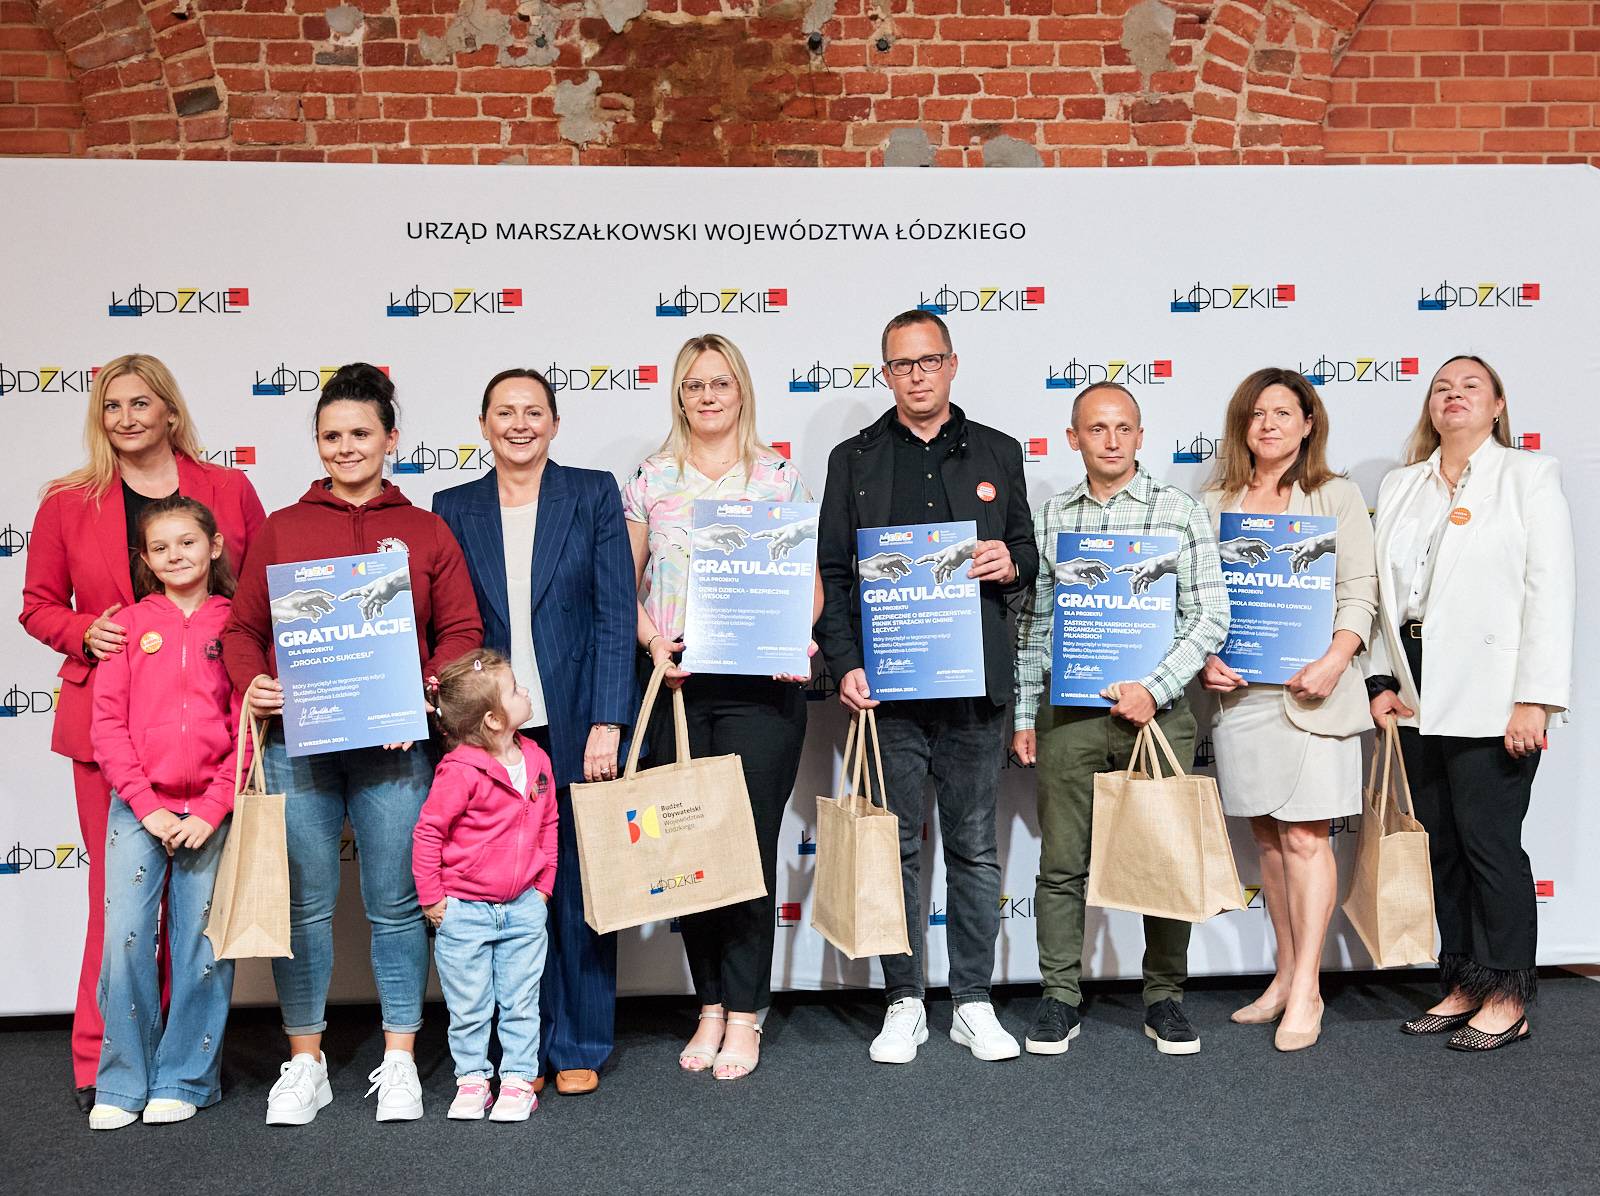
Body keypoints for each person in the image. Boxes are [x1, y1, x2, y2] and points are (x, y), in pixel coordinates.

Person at [222, 363, 483, 1123]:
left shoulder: (427, 530)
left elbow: (462, 630)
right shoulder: (282, 528)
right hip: (297, 746)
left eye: (361, 433)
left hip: (394, 750)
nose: (346, 447)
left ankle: (399, 1059)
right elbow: (242, 630)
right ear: (317, 442)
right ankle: (306, 1062)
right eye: (332, 435)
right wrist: (253, 681)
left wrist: (424, 687)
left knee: (396, 905)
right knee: (304, 906)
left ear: (390, 439)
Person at [19, 353, 264, 1113]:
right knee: (118, 907)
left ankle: (180, 1071)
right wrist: (82, 631)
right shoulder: (68, 501)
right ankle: (105, 1066)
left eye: (139, 403)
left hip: (215, 734)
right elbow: (37, 604)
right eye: (111, 405)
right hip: (109, 732)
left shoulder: (227, 489)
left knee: (197, 916)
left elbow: (259, 596)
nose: (125, 418)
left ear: (169, 411)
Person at [815, 309, 1038, 1065]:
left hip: (975, 692)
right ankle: (904, 1000)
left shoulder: (1000, 451)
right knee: (894, 852)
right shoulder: (853, 459)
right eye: (902, 364)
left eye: (929, 360)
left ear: (951, 364)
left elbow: (1028, 554)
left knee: (974, 849)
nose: (917, 375)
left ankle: (973, 1001)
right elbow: (834, 574)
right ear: (886, 374)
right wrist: (844, 661)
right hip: (889, 695)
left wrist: (1010, 562)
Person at [432, 368, 636, 1097]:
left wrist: (608, 719)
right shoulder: (452, 506)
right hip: (490, 734)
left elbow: (616, 613)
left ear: (554, 421)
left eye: (533, 411)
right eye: (504, 412)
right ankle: (514, 1054)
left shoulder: (592, 494)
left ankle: (575, 1041)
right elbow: (450, 622)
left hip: (575, 720)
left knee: (577, 884)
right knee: (500, 890)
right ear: (483, 425)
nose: (519, 424)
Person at [1011, 381, 1228, 1057]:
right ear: (1073, 438)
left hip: (1157, 716)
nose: (1111, 440)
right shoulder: (1049, 517)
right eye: (1096, 428)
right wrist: (1025, 712)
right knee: (1061, 864)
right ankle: (1059, 996)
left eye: (1124, 427)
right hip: (1069, 716)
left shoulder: (1179, 511)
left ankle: (1165, 998)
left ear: (1140, 435)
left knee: (1164, 857)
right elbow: (1033, 625)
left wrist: (1153, 688)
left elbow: (1209, 615)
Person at [1367, 355, 1573, 1051]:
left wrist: (1535, 700)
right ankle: (1463, 981)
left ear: (1498, 404)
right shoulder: (1401, 484)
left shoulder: (1528, 476)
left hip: (1494, 690)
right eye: (1442, 388)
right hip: (1417, 685)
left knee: (1490, 844)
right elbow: (1384, 598)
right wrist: (1380, 681)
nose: (1453, 396)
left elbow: (1550, 593)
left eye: (1470, 386)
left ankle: (1508, 995)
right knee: (1443, 847)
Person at [624, 333, 813, 1081]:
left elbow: (807, 588)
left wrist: (793, 635)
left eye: (721, 383)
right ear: (679, 394)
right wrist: (654, 644)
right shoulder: (651, 477)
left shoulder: (777, 478)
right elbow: (623, 585)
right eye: (694, 384)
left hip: (761, 692)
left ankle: (745, 1012)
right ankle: (708, 1004)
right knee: (689, 857)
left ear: (741, 391)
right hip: (678, 690)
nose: (708, 396)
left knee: (747, 853)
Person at [1198, 368, 1377, 1052]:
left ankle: (1308, 987)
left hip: (1315, 696)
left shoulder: (1335, 495)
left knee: (1305, 840)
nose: (1268, 424)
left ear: (1308, 424)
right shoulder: (1215, 503)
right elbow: (1199, 601)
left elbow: (1360, 591)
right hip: (1243, 699)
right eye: (1256, 414)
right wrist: (1206, 657)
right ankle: (1282, 974)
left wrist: (1335, 659)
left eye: (1282, 413)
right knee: (1270, 843)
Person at [86, 496, 244, 1129]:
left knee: (202, 943)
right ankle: (123, 1081)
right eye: (160, 547)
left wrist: (213, 806)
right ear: (145, 560)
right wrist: (147, 806)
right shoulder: (128, 627)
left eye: (187, 542)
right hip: (139, 807)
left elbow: (249, 727)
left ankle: (184, 1077)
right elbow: (107, 726)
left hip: (209, 808)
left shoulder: (236, 625)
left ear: (214, 546)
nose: (175, 555)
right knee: (125, 938)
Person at [414, 649, 558, 1123]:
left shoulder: (537, 759)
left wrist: (543, 887)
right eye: (515, 690)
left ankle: (517, 1081)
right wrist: (433, 899)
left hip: (523, 907)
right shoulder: (459, 771)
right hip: (465, 912)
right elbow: (429, 833)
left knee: (521, 1002)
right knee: (469, 1006)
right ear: (494, 720)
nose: (526, 692)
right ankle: (472, 1079)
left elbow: (549, 824)